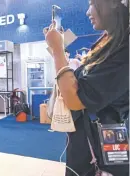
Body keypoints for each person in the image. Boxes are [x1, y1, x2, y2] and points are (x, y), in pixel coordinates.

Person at [44, 0, 129, 175]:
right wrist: (58, 54)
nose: (88, 12)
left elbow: (76, 100)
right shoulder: (109, 42)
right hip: (88, 147)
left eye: (92, 3)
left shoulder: (123, 48)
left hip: (100, 154)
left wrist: (58, 51)